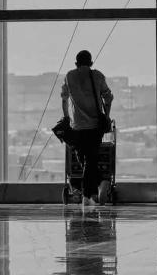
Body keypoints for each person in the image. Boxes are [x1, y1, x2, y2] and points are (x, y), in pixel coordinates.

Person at [61, 50, 113, 205]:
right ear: (90, 62)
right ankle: (100, 183)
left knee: (84, 157)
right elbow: (108, 97)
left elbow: (64, 99)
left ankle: (86, 194)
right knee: (89, 159)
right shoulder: (97, 76)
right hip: (95, 126)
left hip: (77, 126)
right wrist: (107, 115)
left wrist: (66, 116)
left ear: (76, 62)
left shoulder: (69, 76)